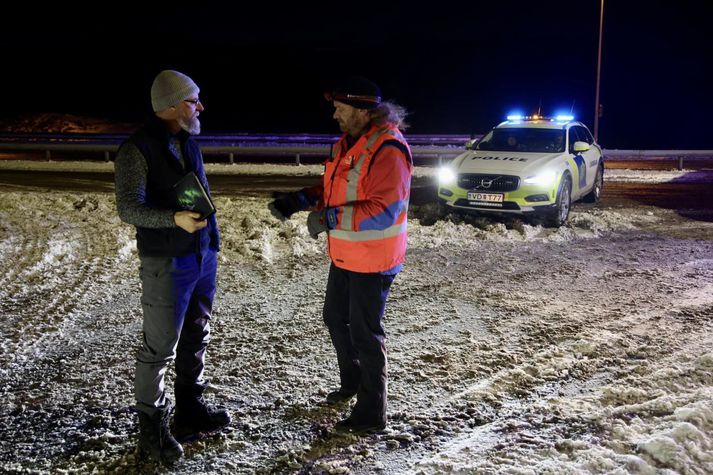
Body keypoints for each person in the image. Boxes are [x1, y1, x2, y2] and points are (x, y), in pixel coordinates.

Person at [268, 76, 413, 434]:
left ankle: (371, 413)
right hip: (347, 253)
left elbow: (385, 209)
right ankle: (352, 382)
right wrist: (303, 198)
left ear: (363, 111)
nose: (335, 115)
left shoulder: (388, 149)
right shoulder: (347, 145)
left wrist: (328, 218)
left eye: (340, 108)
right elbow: (336, 188)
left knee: (365, 333)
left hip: (375, 258)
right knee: (334, 317)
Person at [114, 70, 230, 464]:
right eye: (194, 99)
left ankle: (190, 409)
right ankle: (153, 428)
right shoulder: (136, 149)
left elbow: (201, 193)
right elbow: (129, 207)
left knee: (197, 334)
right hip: (166, 262)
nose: (200, 106)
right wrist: (173, 220)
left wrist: (211, 242)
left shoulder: (188, 142)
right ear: (172, 105)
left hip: (201, 257)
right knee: (160, 348)